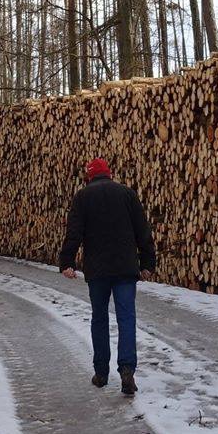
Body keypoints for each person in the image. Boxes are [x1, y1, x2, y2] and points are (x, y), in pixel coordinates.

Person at [59, 158, 155, 396]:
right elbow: (143, 231)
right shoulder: (127, 194)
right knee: (126, 318)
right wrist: (147, 264)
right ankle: (127, 370)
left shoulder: (82, 197)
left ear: (89, 176)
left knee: (99, 318)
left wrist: (67, 262)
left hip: (98, 270)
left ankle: (101, 372)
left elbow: (74, 233)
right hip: (125, 268)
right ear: (109, 174)